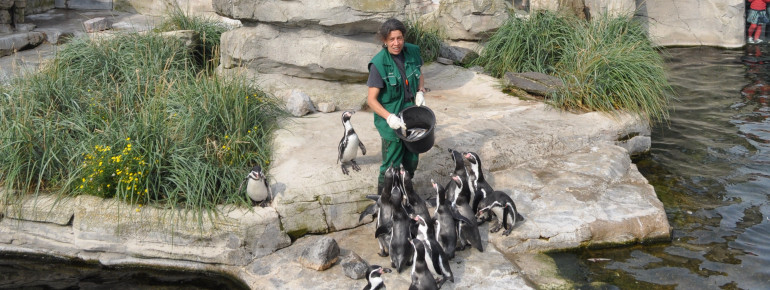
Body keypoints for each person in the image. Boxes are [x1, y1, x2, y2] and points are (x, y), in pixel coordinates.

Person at [366, 18, 427, 193]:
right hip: (390, 118)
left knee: (412, 158)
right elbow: (371, 100)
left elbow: (419, 74)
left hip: (410, 114)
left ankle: (405, 188)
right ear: (384, 41)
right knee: (392, 162)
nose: (396, 43)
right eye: (391, 39)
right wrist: (389, 117)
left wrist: (420, 90)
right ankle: (383, 198)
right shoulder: (378, 64)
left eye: (399, 38)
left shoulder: (413, 52)